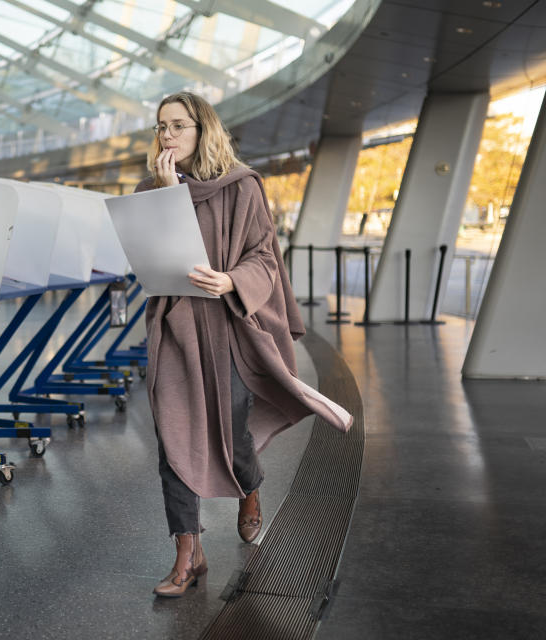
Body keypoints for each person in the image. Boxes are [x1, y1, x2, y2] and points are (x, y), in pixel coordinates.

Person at [138, 92, 353, 598]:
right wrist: (167, 199)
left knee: (234, 435)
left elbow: (264, 255)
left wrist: (232, 281)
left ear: (202, 129)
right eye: (160, 127)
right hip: (176, 328)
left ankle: (249, 485)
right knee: (173, 440)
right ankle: (187, 552)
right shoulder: (150, 190)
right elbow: (150, 255)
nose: (167, 136)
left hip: (230, 328)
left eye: (178, 126)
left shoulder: (242, 186)